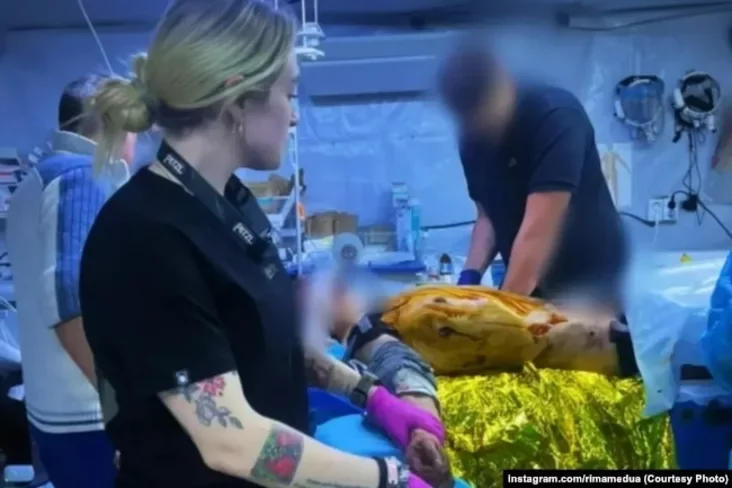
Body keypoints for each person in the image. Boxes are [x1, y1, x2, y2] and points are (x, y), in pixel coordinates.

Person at [79, 1, 444, 487]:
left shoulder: (228, 203)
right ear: (239, 100)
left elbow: (264, 347)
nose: (295, 117)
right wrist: (389, 479)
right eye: (290, 94)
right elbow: (232, 442)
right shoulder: (144, 238)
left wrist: (370, 395)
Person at [6, 74, 136, 488]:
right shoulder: (83, 177)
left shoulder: (37, 179)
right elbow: (69, 302)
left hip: (53, 412)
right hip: (89, 417)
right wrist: (122, 405)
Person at [437, 43, 628, 314]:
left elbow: (538, 236)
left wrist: (497, 317)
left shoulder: (556, 117)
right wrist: (468, 280)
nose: (479, 127)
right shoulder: (472, 139)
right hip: (530, 282)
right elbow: (487, 217)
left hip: (589, 287)